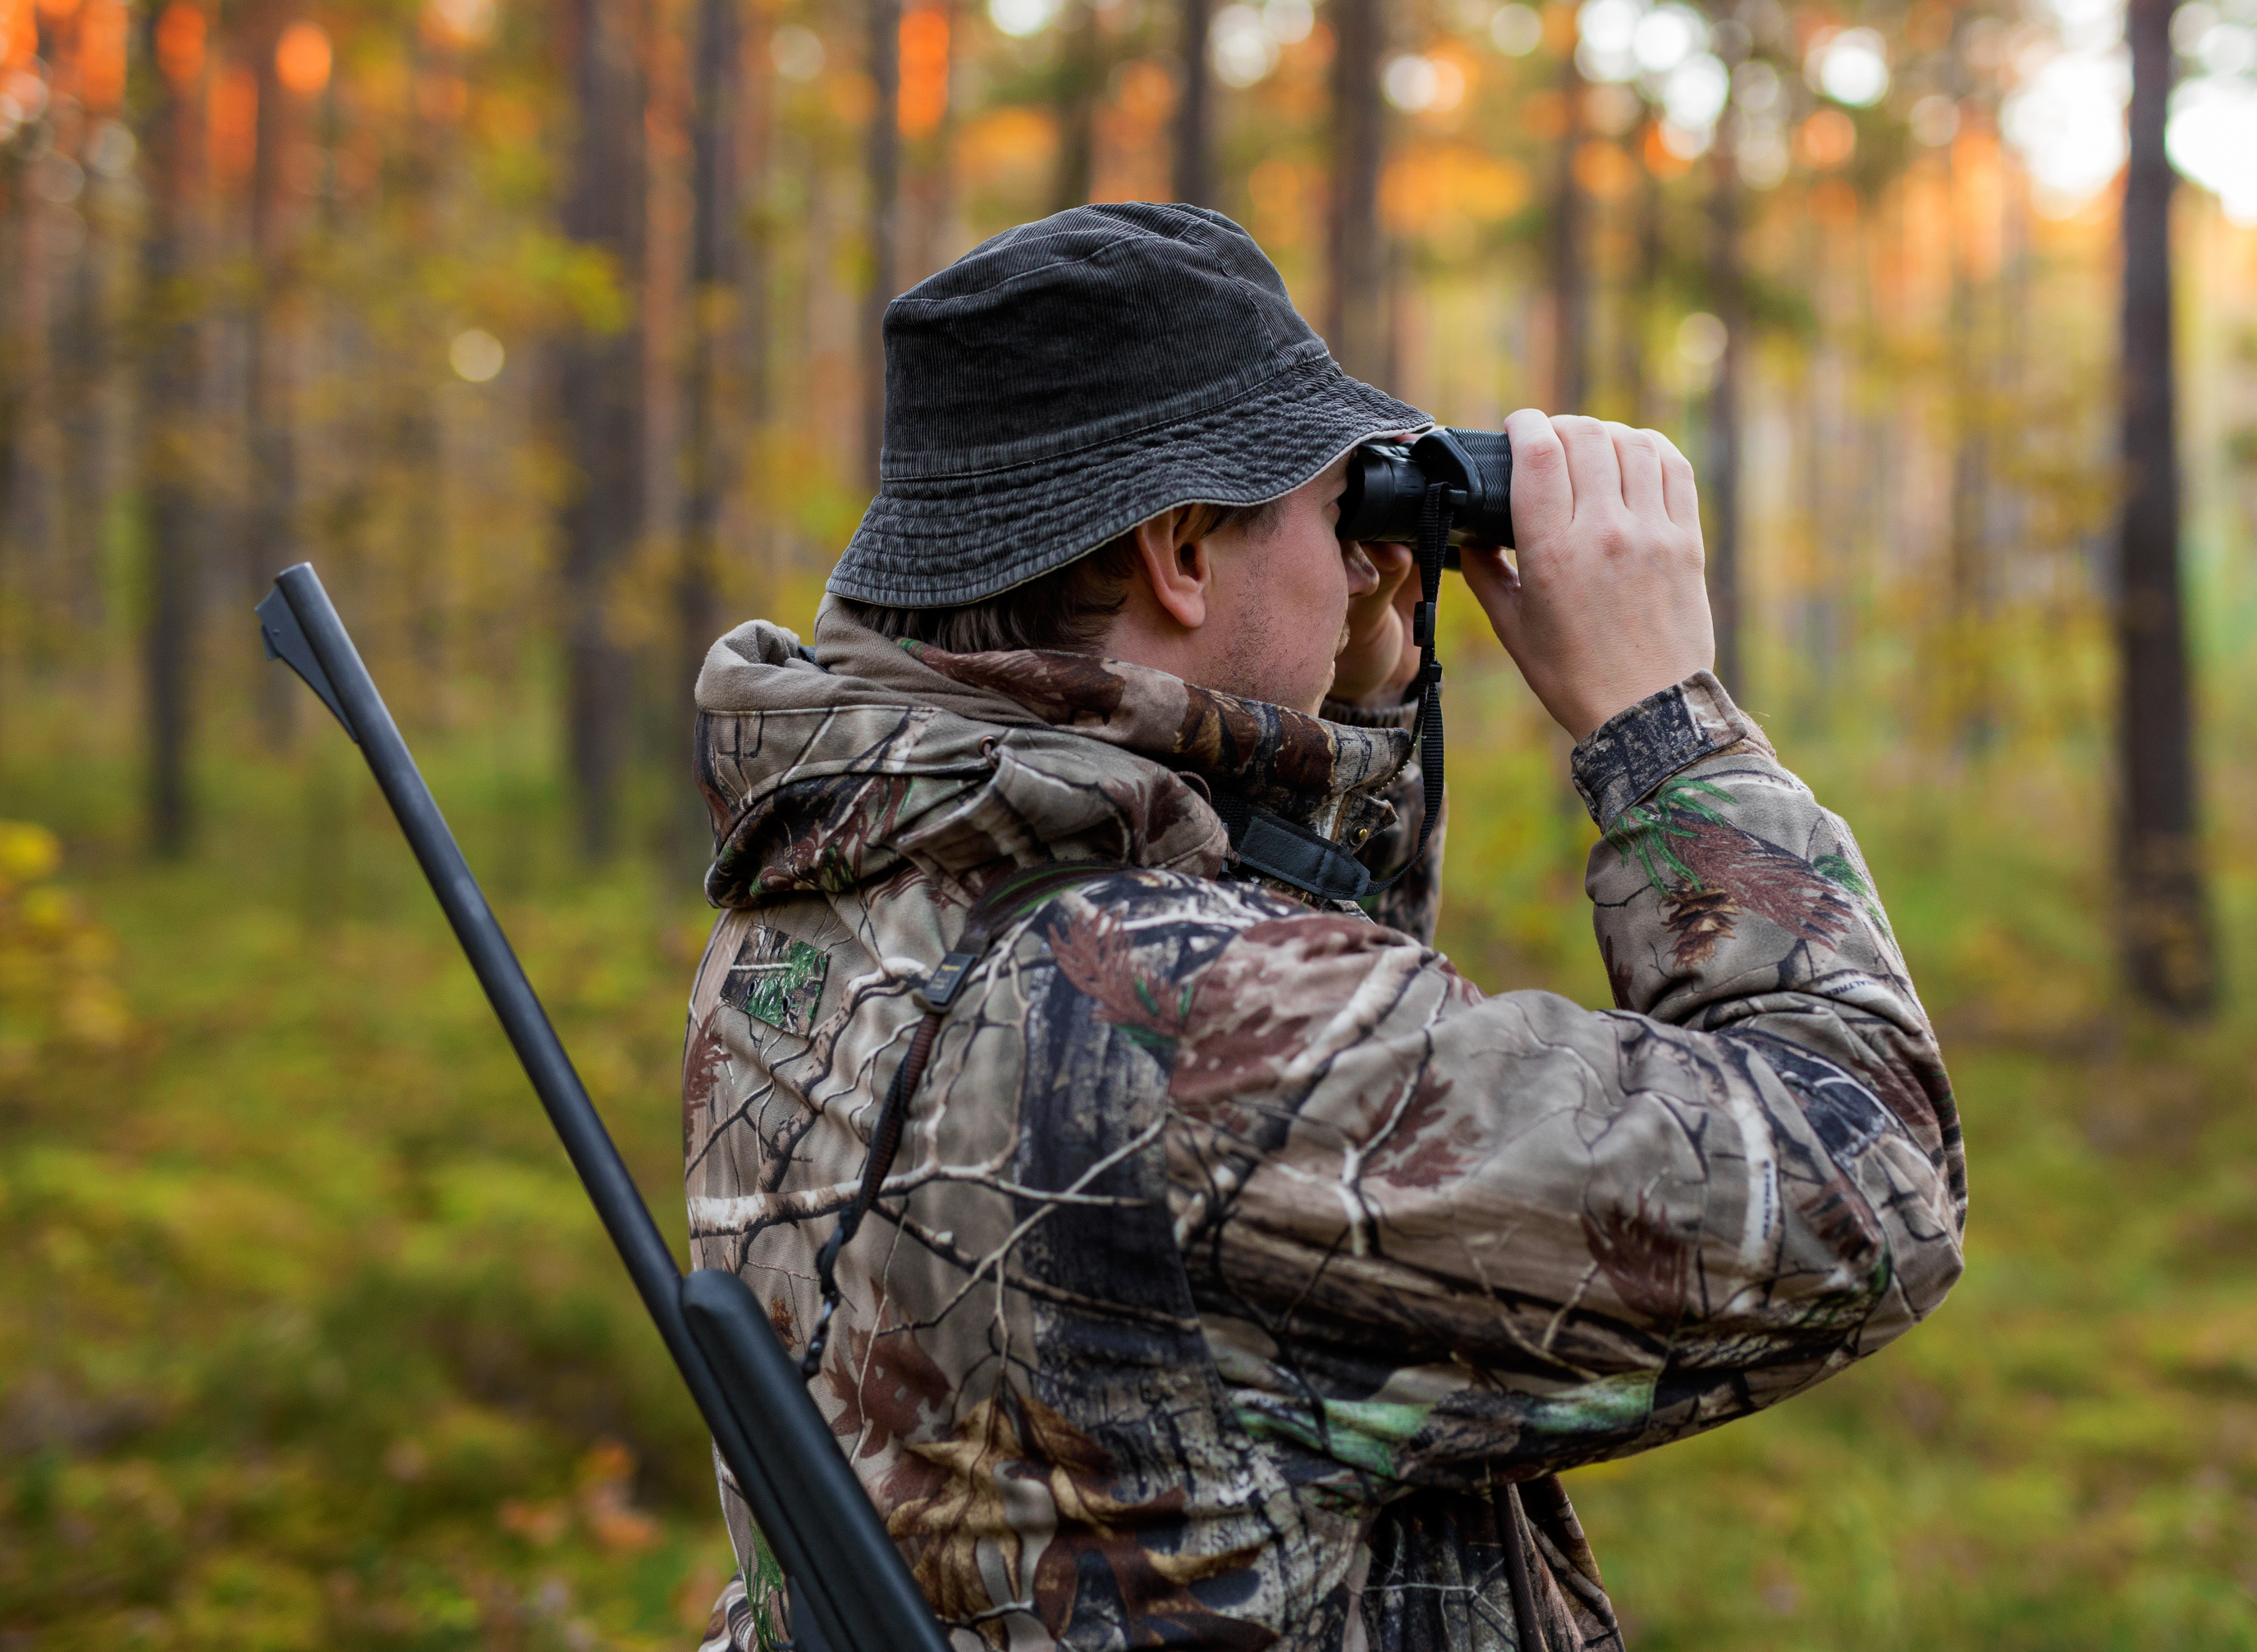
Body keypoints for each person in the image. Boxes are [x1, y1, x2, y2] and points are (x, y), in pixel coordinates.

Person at [684, 203, 1964, 1652]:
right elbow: (1867, 1183)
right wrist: (1665, 731)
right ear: (1179, 550)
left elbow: (1268, 1088)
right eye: (1326, 506)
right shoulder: (1192, 1026)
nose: (1362, 557)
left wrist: (1344, 713)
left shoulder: (825, 890)